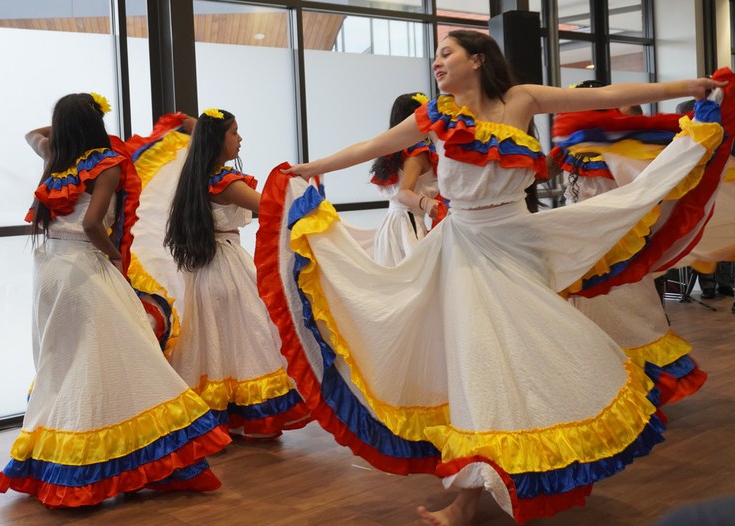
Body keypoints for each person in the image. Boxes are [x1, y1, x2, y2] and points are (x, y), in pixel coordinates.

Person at [254, 29, 733, 526]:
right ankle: (469, 497)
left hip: (519, 245)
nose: (437, 62)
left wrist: (685, 86)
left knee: (533, 357)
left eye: (447, 53)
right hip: (464, 252)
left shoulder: (520, 100)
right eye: (436, 55)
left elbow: (605, 97)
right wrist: (307, 167)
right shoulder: (436, 118)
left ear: (477, 60)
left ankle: (520, 473)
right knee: (482, 366)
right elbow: (373, 146)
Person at [0, 93, 231, 508]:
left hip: (49, 272)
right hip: (85, 269)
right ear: (97, 123)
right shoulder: (106, 163)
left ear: (64, 126)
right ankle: (128, 462)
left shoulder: (54, 157)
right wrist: (114, 254)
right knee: (125, 357)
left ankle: (62, 460)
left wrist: (67, 127)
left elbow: (33, 134)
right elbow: (91, 223)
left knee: (63, 361)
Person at [550, 94, 709, 410]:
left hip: (616, 242)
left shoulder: (624, 145)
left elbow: (649, 186)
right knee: (583, 314)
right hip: (574, 243)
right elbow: (539, 173)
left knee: (628, 310)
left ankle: (635, 386)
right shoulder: (568, 149)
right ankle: (595, 386)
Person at [163, 108, 310, 438]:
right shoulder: (225, 182)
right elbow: (272, 206)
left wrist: (195, 124)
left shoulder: (195, 179)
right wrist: (304, 189)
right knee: (251, 340)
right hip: (228, 269)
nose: (240, 138)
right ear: (219, 139)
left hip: (203, 273)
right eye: (234, 132)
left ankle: (223, 419)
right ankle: (253, 421)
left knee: (216, 345)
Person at [370, 92, 441, 265]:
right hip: (407, 224)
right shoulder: (416, 153)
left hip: (391, 224)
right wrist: (427, 203)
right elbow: (403, 193)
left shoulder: (394, 151)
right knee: (416, 282)